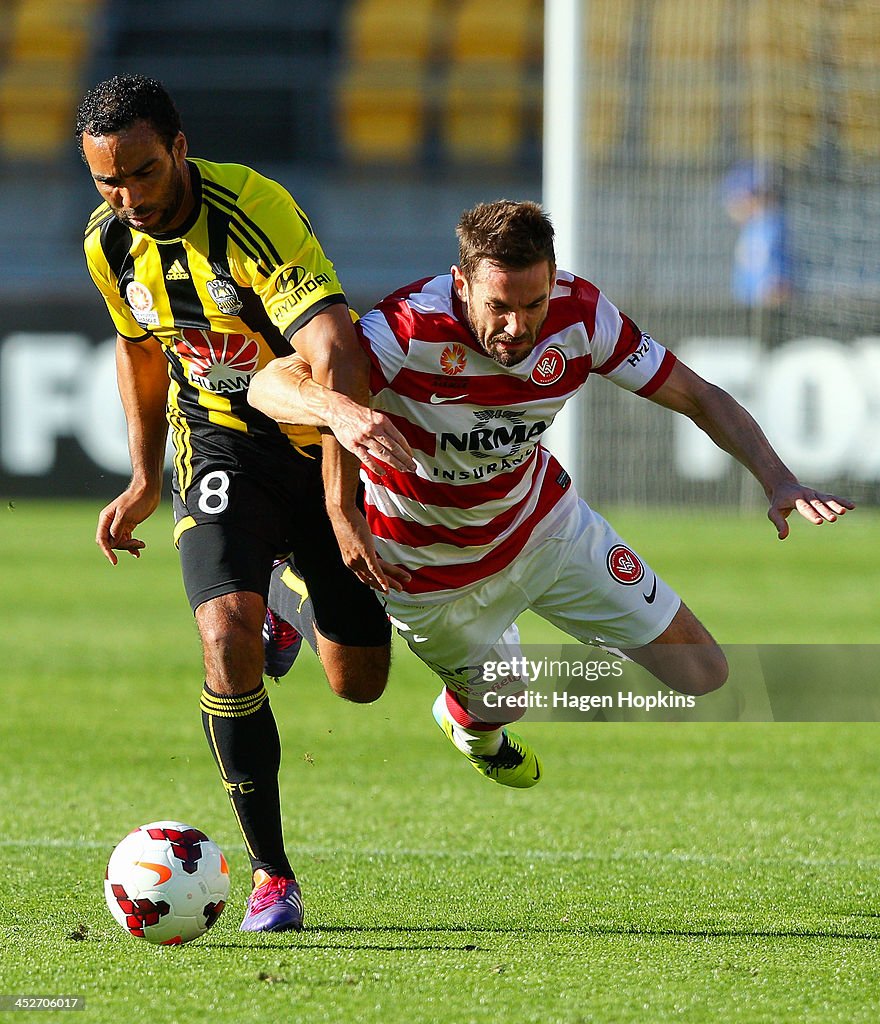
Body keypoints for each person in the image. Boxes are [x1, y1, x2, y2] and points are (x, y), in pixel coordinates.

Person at [248, 199, 854, 789]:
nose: (517, 329)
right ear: (460, 282)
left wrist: (779, 480)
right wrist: (339, 413)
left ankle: (473, 712)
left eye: (533, 304)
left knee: (703, 673)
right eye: (499, 307)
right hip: (429, 572)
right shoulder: (405, 329)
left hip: (545, 529)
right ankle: (315, 597)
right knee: (415, 693)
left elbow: (697, 394)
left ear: (554, 281)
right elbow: (268, 383)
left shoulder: (582, 316)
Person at [75, 74, 414, 933]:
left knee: (360, 684)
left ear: (179, 149)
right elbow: (140, 348)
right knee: (224, 635)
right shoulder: (110, 242)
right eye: (107, 183)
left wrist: (341, 511)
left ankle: (291, 603)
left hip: (316, 442)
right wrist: (145, 475)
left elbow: (333, 349)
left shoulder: (251, 211)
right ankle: (272, 874)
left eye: (142, 174)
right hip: (221, 447)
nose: (127, 199)